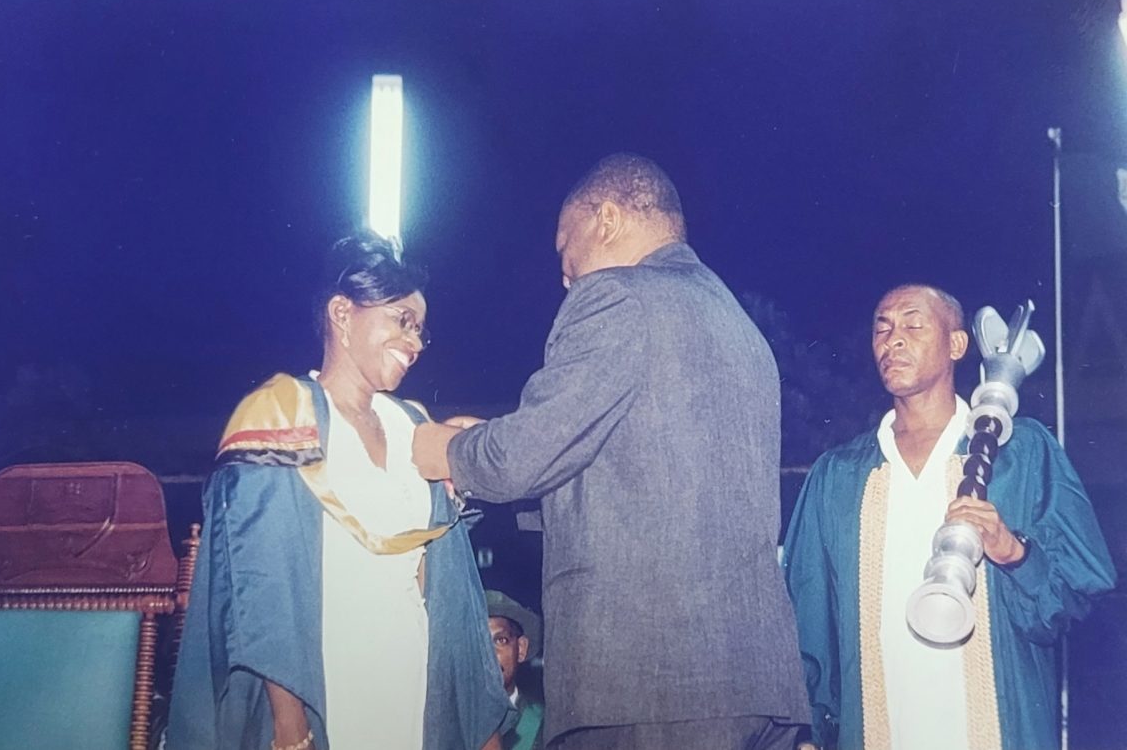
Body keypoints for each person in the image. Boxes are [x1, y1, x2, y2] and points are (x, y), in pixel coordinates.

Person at [412, 153, 811, 749]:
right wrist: (497, 437)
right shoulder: (736, 325)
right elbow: (629, 477)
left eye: (563, 247)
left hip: (644, 691)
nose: (565, 274)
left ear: (606, 219)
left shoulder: (617, 296)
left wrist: (449, 450)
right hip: (753, 688)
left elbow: (529, 452)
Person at [167, 235, 512, 750]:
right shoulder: (282, 416)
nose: (415, 343)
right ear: (341, 314)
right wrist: (290, 723)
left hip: (411, 681)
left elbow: (442, 582)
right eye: (401, 320)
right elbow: (264, 589)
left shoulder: (413, 427)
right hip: (324, 684)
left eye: (420, 330)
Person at [782, 284, 1117, 750]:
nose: (892, 340)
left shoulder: (1020, 452)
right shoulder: (837, 474)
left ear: (957, 344)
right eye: (882, 327)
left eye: (913, 325)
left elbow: (1079, 591)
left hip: (994, 730)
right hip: (879, 731)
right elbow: (805, 620)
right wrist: (808, 734)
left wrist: (1014, 551)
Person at [486, 590, 545, 750]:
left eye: (500, 640)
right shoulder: (448, 725)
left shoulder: (546, 725)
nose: (489, 654)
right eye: (479, 643)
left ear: (521, 649)